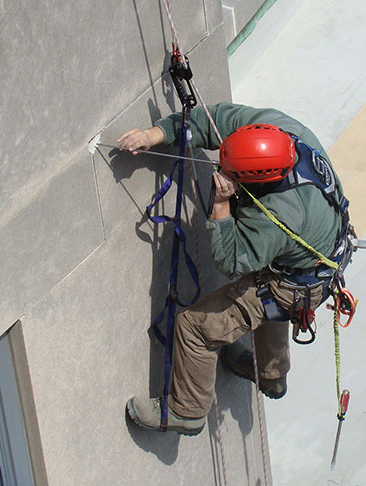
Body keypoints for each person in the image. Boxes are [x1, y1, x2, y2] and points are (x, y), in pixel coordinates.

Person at [119, 102, 350, 436]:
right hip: (318, 257)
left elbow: (232, 260)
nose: (221, 173)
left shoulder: (277, 216)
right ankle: (271, 375)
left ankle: (187, 411)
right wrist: (155, 134)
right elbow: (215, 120)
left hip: (296, 282)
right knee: (271, 302)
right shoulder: (277, 128)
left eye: (231, 173)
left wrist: (222, 204)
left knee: (197, 326)